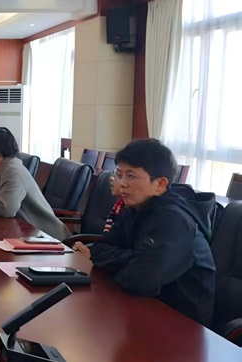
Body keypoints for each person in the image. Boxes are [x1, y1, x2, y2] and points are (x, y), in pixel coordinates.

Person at [76, 139, 216, 327]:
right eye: (119, 174)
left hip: (180, 326)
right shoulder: (137, 208)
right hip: (140, 309)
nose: (122, 184)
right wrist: (134, 257)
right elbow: (100, 247)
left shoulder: (174, 220)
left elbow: (139, 280)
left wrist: (119, 260)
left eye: (131, 176)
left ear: (160, 184)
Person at [0, 128, 70, 241]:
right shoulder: (2, 167)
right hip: (25, 232)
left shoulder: (12, 172)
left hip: (46, 237)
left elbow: (7, 209)